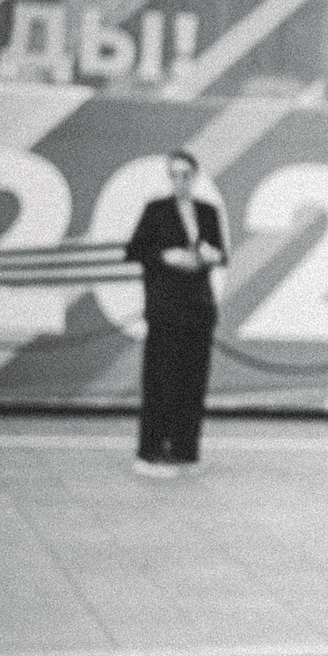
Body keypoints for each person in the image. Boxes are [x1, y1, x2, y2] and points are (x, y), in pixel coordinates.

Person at [124, 149, 224, 474]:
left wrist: (211, 254)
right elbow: (134, 249)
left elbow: (221, 253)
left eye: (186, 175)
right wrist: (167, 256)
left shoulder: (207, 212)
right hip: (166, 306)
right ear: (169, 177)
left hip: (198, 307)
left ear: (195, 177)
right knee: (160, 378)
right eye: (174, 175)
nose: (180, 181)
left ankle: (185, 449)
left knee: (192, 381)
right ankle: (151, 450)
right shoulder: (157, 210)